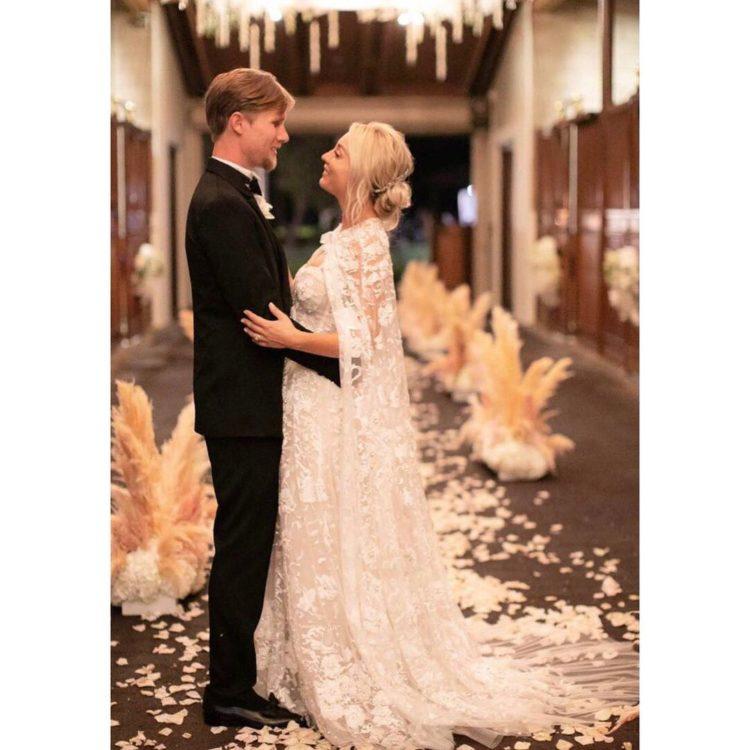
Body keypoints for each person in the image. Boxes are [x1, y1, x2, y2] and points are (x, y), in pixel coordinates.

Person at [243, 121, 638, 749]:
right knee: (313, 526)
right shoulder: (339, 238)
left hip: (332, 409)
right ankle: (313, 652)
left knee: (333, 522)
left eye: (338, 152)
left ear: (362, 173)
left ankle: (350, 656)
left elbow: (368, 343)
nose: (325, 155)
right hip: (309, 405)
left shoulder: (367, 245)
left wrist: (292, 338)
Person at [184, 68, 340, 729]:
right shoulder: (222, 203)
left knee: (247, 543)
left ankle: (237, 683)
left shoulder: (235, 194)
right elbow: (262, 312)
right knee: (243, 546)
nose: (284, 135)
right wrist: (344, 363)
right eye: (275, 122)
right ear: (238, 122)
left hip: (248, 402)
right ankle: (228, 691)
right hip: (243, 407)